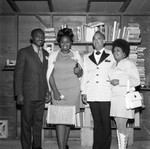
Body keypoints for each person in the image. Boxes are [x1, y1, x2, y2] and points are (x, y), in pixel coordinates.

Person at [46, 27, 83, 149]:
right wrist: (55, 91)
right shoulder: (53, 55)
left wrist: (79, 71)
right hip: (58, 91)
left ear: (71, 42)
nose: (65, 44)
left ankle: (64, 144)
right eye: (62, 42)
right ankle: (61, 147)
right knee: (59, 119)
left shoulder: (76, 55)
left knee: (67, 119)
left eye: (67, 42)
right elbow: (50, 75)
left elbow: (81, 74)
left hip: (73, 91)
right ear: (59, 43)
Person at [14, 28, 50, 149]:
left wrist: (47, 91)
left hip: (41, 94)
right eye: (37, 36)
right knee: (26, 124)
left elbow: (46, 75)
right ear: (32, 38)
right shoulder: (23, 52)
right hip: (27, 94)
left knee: (38, 123)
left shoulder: (46, 54)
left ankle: (37, 146)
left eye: (42, 36)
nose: (40, 38)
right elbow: (18, 74)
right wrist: (19, 93)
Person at [81, 31, 115, 149]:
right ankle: (97, 146)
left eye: (99, 38)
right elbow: (85, 75)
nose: (96, 41)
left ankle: (105, 146)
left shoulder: (112, 55)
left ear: (104, 41)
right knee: (97, 122)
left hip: (106, 93)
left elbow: (117, 72)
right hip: (92, 93)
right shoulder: (86, 57)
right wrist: (83, 91)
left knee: (105, 122)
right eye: (94, 39)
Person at [108, 39, 140, 149]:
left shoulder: (129, 64)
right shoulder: (112, 65)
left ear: (124, 53)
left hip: (123, 99)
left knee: (121, 126)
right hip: (114, 99)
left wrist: (120, 82)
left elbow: (137, 81)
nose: (115, 52)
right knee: (119, 126)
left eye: (118, 50)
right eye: (114, 51)